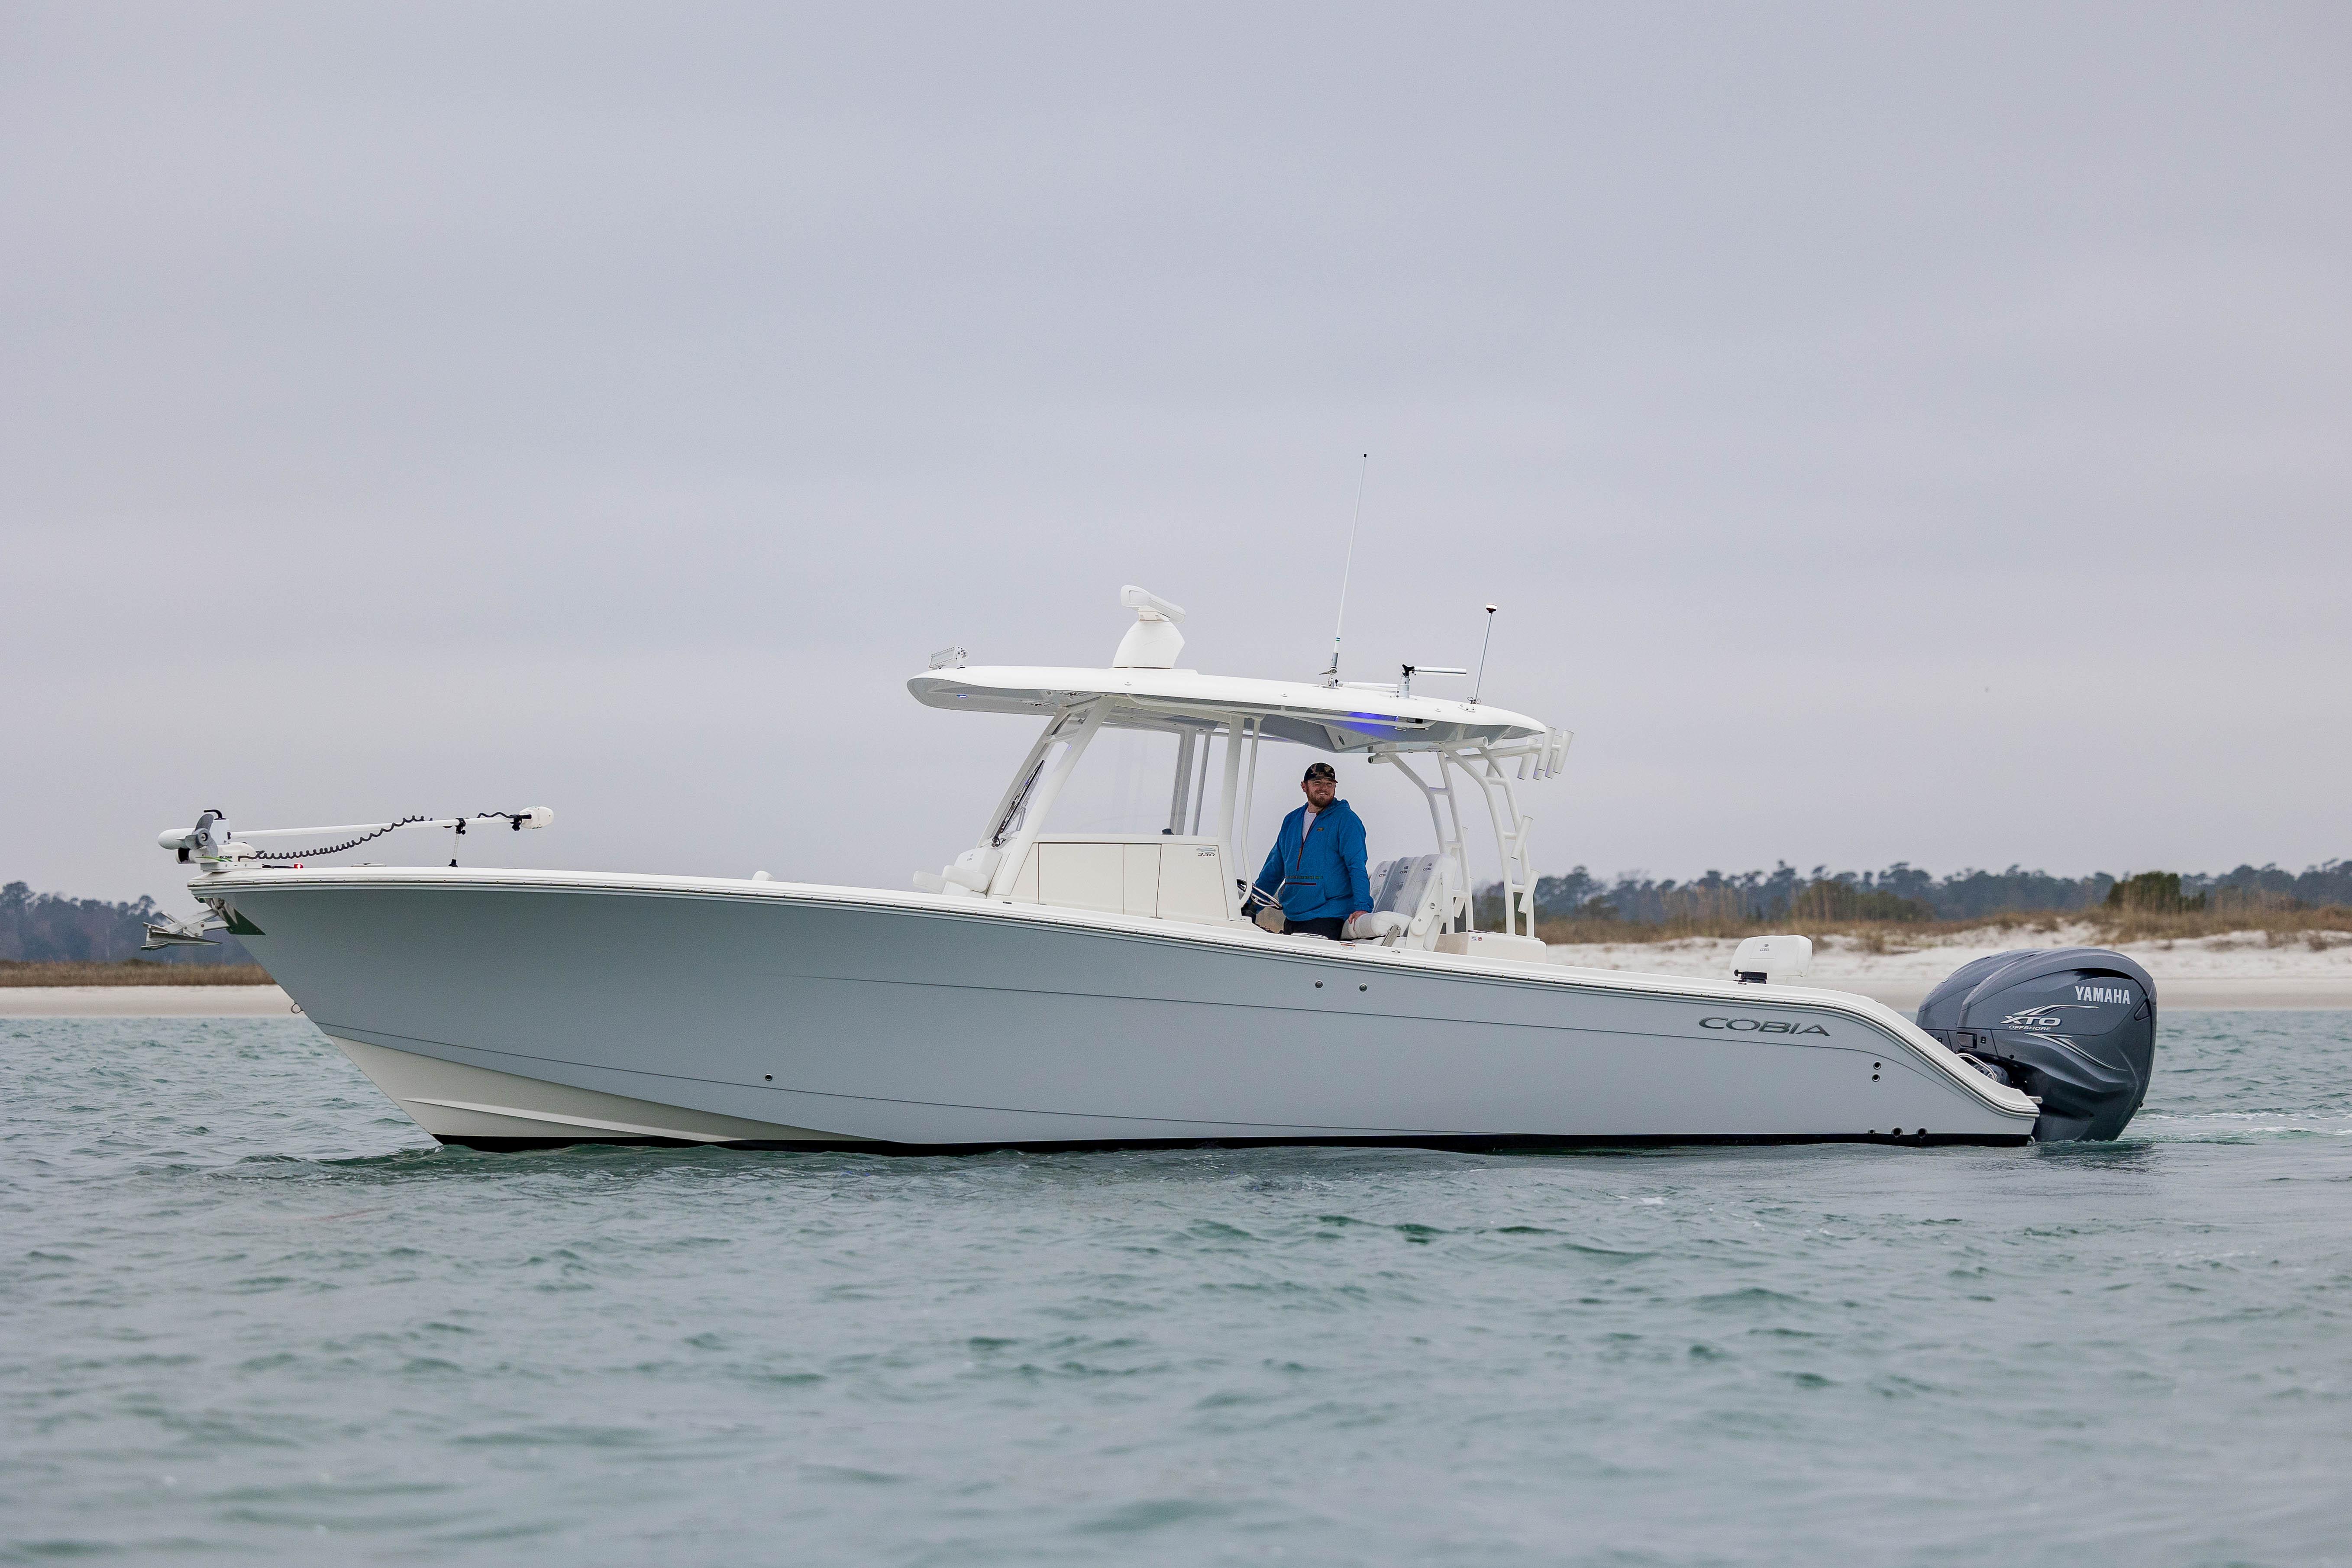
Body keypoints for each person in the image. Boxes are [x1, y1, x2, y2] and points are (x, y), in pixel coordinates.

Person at [1249, 762, 1372, 939]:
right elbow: (1274, 870)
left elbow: (1357, 866)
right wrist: (1252, 906)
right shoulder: (1291, 820)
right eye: (1318, 783)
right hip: (1293, 915)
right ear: (1304, 786)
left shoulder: (1346, 820)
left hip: (1328, 917)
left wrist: (1362, 907)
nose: (1324, 788)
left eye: (1330, 784)